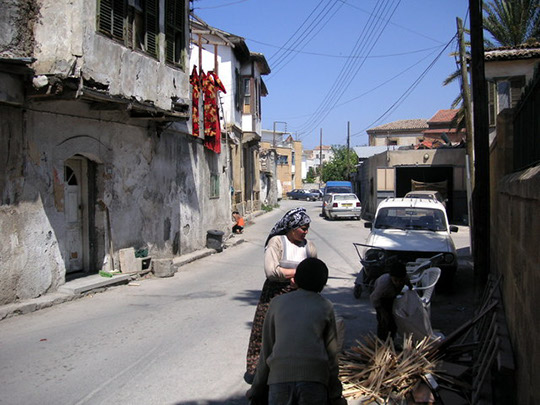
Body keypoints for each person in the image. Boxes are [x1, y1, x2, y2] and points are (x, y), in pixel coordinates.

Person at [247, 258, 346, 405]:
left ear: (296, 279)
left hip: (279, 380)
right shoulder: (325, 306)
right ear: (323, 284)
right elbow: (331, 356)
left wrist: (256, 390)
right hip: (314, 381)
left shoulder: (276, 303)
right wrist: (335, 394)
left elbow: (266, 352)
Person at [244, 207, 317, 384]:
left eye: (307, 228)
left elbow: (314, 271)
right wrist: (298, 274)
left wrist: (300, 280)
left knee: (297, 334)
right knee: (265, 332)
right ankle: (258, 372)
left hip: (300, 295)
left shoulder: (310, 247)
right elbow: (271, 271)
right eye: (303, 228)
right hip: (275, 294)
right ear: (292, 227)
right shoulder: (277, 242)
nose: (306, 232)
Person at [370, 261, 412, 341]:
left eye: (401, 281)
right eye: (395, 280)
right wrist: (382, 311)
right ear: (391, 277)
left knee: (392, 322)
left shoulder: (405, 278)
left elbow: (409, 285)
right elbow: (374, 298)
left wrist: (411, 291)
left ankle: (391, 341)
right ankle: (381, 342)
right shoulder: (384, 284)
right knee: (383, 321)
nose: (398, 283)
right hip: (381, 299)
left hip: (392, 297)